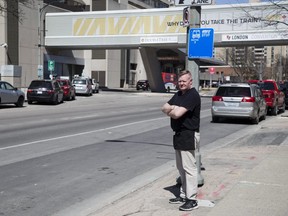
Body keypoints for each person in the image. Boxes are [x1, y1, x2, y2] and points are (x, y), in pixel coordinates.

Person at [161, 70, 201, 211]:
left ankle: (192, 199)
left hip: (188, 134)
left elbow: (177, 114)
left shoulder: (192, 95)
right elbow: (164, 107)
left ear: (191, 81)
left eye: (184, 81)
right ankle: (184, 195)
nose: (182, 83)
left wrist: (172, 110)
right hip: (178, 134)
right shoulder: (178, 94)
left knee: (189, 168)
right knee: (181, 168)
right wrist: (173, 107)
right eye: (180, 81)